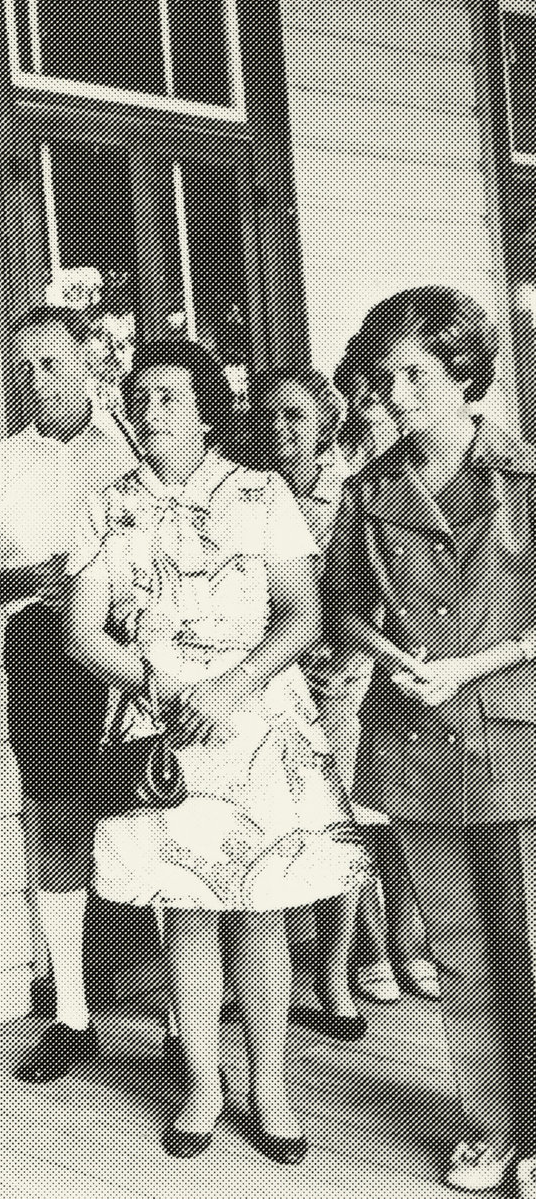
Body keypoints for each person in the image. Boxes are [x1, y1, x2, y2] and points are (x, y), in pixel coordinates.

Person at [64, 339, 370, 1164]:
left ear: (205, 409)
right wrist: (165, 685)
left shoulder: (261, 491)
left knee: (261, 905)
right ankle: (204, 1082)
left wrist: (230, 688)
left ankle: (268, 1085)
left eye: (168, 396)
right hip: (161, 725)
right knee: (188, 910)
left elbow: (302, 613)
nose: (150, 410)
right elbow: (80, 632)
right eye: (140, 396)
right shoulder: (108, 504)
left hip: (257, 717)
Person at [323, 286, 536, 1193]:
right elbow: (339, 607)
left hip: (514, 737)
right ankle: (493, 1125)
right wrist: (384, 649)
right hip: (413, 740)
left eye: (415, 374)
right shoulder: (370, 490)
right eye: (387, 376)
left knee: (529, 939)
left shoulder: (525, 475)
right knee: (459, 947)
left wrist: (474, 664)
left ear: (465, 376)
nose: (396, 393)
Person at [0, 306, 135, 1083]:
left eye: (52, 363)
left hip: (136, 642)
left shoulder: (132, 444)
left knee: (151, 810)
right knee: (59, 819)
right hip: (41, 647)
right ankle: (72, 1014)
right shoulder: (0, 463)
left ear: (87, 362)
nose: (37, 380)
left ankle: (177, 1019)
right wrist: (30, 578)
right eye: (23, 366)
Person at [249, 370, 434, 1043]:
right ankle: (261, 975)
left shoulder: (349, 490)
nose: (278, 429)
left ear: (326, 422)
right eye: (267, 415)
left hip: (333, 677)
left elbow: (359, 595)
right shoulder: (248, 489)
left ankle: (334, 968)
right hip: (262, 676)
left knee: (336, 824)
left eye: (294, 416)